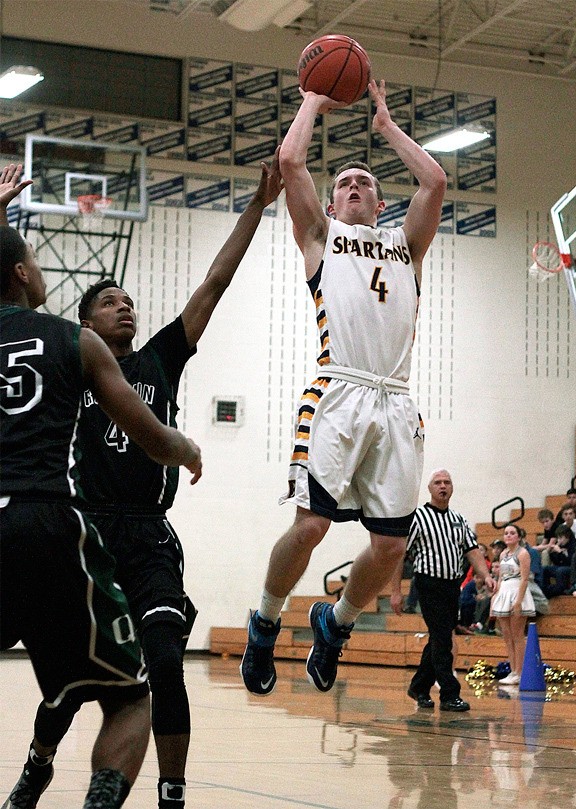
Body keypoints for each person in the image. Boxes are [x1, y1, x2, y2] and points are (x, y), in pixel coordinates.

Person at [2, 155, 282, 809]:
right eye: (109, 301)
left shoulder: (159, 358)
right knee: (71, 677)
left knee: (161, 663)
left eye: (128, 301)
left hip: (150, 536)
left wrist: (255, 208)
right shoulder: (65, 352)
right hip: (84, 529)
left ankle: (173, 791)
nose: (124, 307)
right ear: (86, 320)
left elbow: (214, 283)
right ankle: (37, 767)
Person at [0, 166, 202, 809]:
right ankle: (73, 783)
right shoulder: (72, 343)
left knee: (95, 677)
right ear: (26, 273)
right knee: (126, 695)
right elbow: (154, 438)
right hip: (52, 521)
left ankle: (60, 771)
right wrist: (187, 448)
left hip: (122, 530)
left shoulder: (149, 354)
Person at [239, 79, 447, 697]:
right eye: (345, 185)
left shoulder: (407, 247)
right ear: (331, 207)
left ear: (380, 205)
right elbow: (290, 161)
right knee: (311, 528)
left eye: (366, 184)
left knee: (390, 545)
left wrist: (386, 126)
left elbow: (434, 182)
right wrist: (313, 101)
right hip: (339, 392)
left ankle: (335, 627)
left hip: (397, 398)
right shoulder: (321, 240)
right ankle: (265, 624)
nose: (355, 187)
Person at [391, 469, 496, 711]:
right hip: (428, 583)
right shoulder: (418, 517)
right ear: (430, 488)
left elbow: (472, 551)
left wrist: (487, 576)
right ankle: (449, 694)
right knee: (442, 638)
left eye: (447, 482)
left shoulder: (459, 519)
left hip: (452, 585)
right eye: (437, 482)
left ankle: (419, 686)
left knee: (439, 637)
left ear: (452, 487)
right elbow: (399, 555)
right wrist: (396, 591)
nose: (443, 486)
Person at [490, 524, 536, 686]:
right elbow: (501, 578)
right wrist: (496, 596)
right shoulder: (503, 554)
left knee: (517, 636)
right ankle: (512, 670)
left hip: (517, 592)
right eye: (506, 533)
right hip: (504, 593)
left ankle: (520, 671)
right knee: (507, 636)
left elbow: (524, 579)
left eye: (512, 533)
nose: (509, 535)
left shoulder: (523, 554)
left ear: (518, 536)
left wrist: (518, 601)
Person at [542, 524, 576, 597]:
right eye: (558, 538)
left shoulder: (574, 545)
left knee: (560, 571)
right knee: (545, 569)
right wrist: (552, 553)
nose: (559, 540)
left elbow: (570, 562)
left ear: (567, 536)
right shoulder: (561, 545)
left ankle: (560, 590)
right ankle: (544, 589)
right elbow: (556, 562)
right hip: (561, 567)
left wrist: (560, 553)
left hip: (571, 568)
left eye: (561, 538)